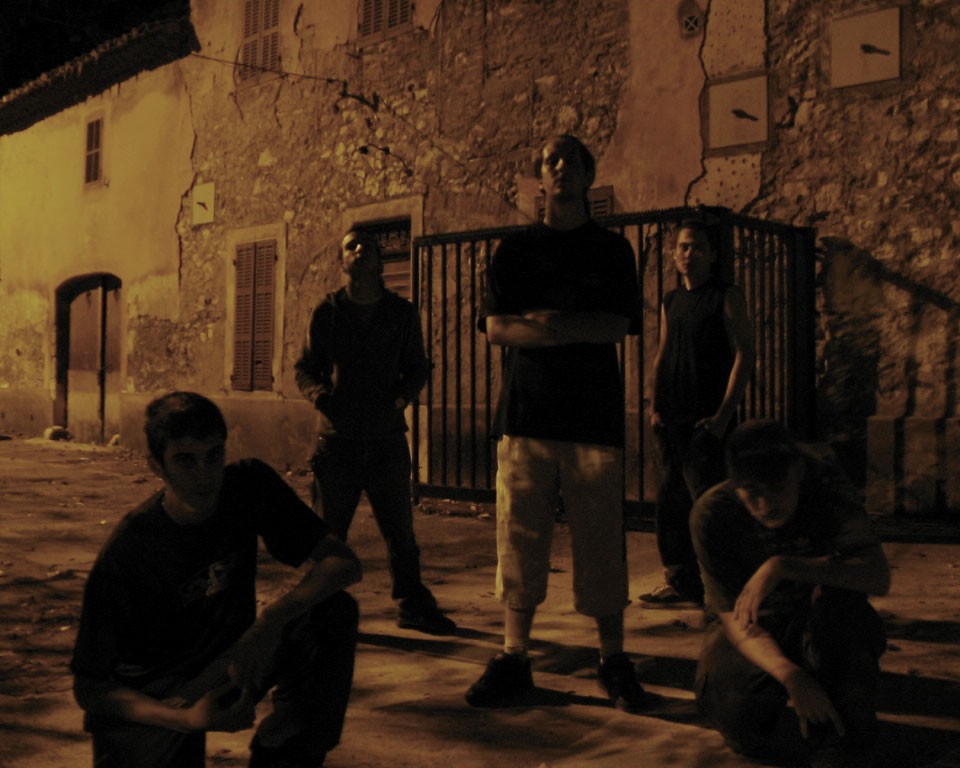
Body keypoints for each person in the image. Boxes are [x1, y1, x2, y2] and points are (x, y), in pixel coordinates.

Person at [71, 391, 362, 768]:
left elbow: (343, 563)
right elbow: (90, 688)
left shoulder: (247, 486)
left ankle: (282, 753)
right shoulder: (131, 548)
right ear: (156, 465)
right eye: (185, 460)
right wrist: (184, 719)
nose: (204, 474)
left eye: (213, 455)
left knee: (329, 614)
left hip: (232, 659)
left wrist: (270, 622)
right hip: (159, 695)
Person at [465, 134, 650, 711]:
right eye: (551, 160)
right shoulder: (514, 251)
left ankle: (612, 658)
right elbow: (496, 329)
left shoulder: (612, 252)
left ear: (589, 176)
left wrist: (541, 322)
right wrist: (573, 325)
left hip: (593, 421)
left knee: (601, 544)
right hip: (526, 416)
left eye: (572, 159)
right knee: (519, 540)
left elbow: (615, 327)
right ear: (540, 178)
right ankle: (514, 656)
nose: (561, 166)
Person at [691, 419, 890, 767]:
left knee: (849, 728)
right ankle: (792, 693)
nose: (766, 503)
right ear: (735, 486)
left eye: (777, 487)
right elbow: (733, 618)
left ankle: (838, 717)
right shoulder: (713, 513)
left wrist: (784, 566)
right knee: (738, 718)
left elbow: (876, 575)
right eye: (752, 492)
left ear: (797, 471)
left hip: (820, 612)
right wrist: (790, 675)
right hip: (758, 621)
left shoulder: (826, 487)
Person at [295, 228, 456, 635]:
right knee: (329, 533)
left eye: (369, 246)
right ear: (342, 262)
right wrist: (320, 397)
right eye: (351, 245)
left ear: (381, 263)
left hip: (386, 440)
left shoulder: (400, 314)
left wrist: (400, 399)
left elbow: (418, 367)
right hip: (338, 442)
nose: (361, 249)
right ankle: (319, 609)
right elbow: (305, 368)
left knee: (401, 533)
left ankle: (413, 604)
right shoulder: (327, 313)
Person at [642, 217, 754, 606]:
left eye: (698, 247)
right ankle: (680, 580)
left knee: (710, 505)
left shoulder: (726, 296)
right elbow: (662, 352)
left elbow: (745, 354)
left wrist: (723, 415)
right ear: (674, 254)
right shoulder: (671, 300)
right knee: (670, 503)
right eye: (683, 247)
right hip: (670, 418)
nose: (689, 254)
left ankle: (723, 587)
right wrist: (654, 405)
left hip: (705, 420)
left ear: (712, 254)